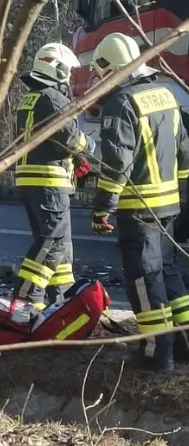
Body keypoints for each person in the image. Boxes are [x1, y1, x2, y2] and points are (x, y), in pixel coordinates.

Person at [90, 32, 189, 372]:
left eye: (102, 73)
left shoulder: (121, 103)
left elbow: (117, 164)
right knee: (170, 274)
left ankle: (155, 353)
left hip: (139, 209)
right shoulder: (166, 94)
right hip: (170, 207)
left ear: (113, 68)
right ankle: (184, 342)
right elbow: (185, 153)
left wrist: (103, 208)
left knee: (145, 281)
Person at [13, 43, 92, 310]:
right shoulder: (53, 98)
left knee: (62, 248)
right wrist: (87, 146)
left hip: (35, 179)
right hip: (48, 182)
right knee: (52, 244)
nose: (69, 78)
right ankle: (26, 299)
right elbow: (70, 138)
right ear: (56, 69)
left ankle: (61, 301)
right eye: (67, 71)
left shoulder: (31, 97)